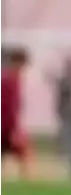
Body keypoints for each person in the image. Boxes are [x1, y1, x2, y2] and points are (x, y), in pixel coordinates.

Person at [0, 47, 32, 180]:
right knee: (23, 152)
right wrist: (13, 129)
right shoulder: (10, 80)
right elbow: (9, 107)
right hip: (5, 126)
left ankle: (26, 180)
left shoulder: (8, 78)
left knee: (20, 153)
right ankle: (27, 181)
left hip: (6, 125)